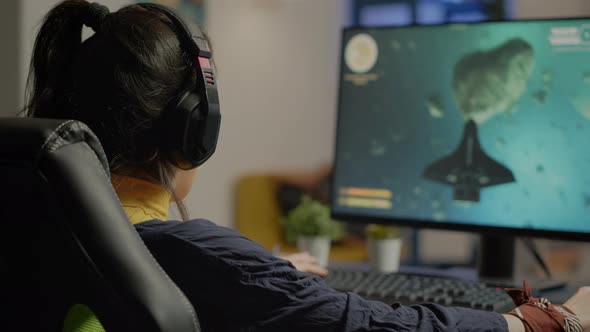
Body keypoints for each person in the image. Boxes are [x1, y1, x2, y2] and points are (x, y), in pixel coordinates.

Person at [25, 1, 590, 331]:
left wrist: (265, 272)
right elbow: (376, 327)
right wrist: (553, 318)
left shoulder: (39, 224)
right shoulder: (190, 254)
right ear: (197, 130)